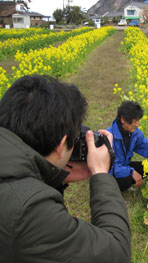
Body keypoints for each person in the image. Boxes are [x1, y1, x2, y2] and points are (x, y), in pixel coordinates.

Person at [0, 75, 131, 262]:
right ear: (61, 145)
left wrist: (53, 176)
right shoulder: (28, 211)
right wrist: (101, 174)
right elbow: (116, 253)